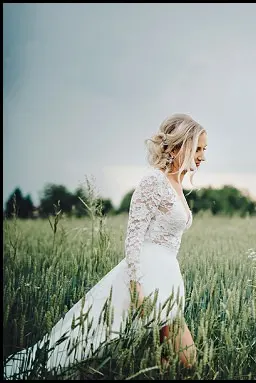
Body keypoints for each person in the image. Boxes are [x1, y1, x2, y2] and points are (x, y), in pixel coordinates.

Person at [4, 114, 208, 379]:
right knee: (87, 341)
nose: (202, 156)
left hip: (167, 279)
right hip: (145, 278)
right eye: (198, 149)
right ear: (180, 146)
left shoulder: (177, 184)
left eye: (204, 149)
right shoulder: (154, 181)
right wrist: (136, 287)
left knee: (174, 362)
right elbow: (133, 239)